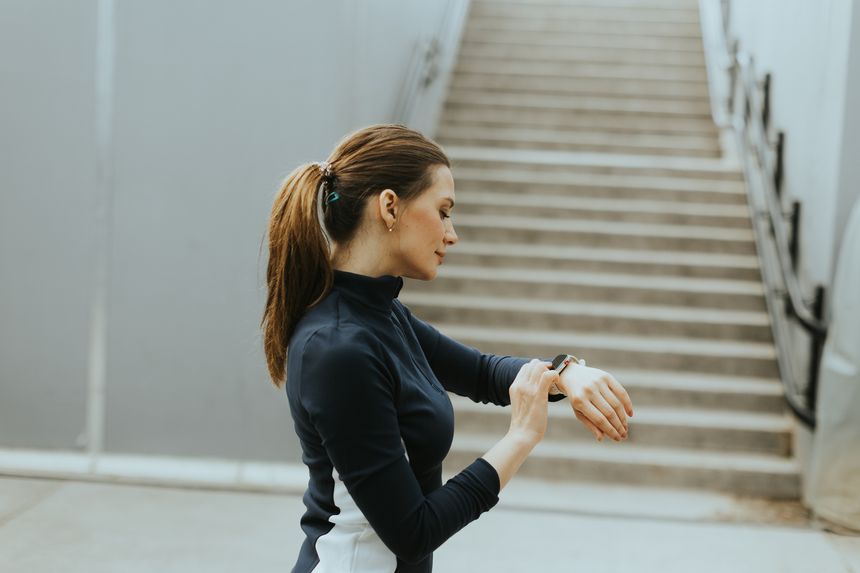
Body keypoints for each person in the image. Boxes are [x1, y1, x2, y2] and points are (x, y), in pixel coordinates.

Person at [260, 124, 633, 573]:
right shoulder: (337, 348)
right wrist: (520, 437)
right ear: (390, 206)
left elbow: (480, 373)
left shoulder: (382, 315)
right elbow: (412, 532)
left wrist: (567, 372)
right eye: (443, 211)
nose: (451, 234)